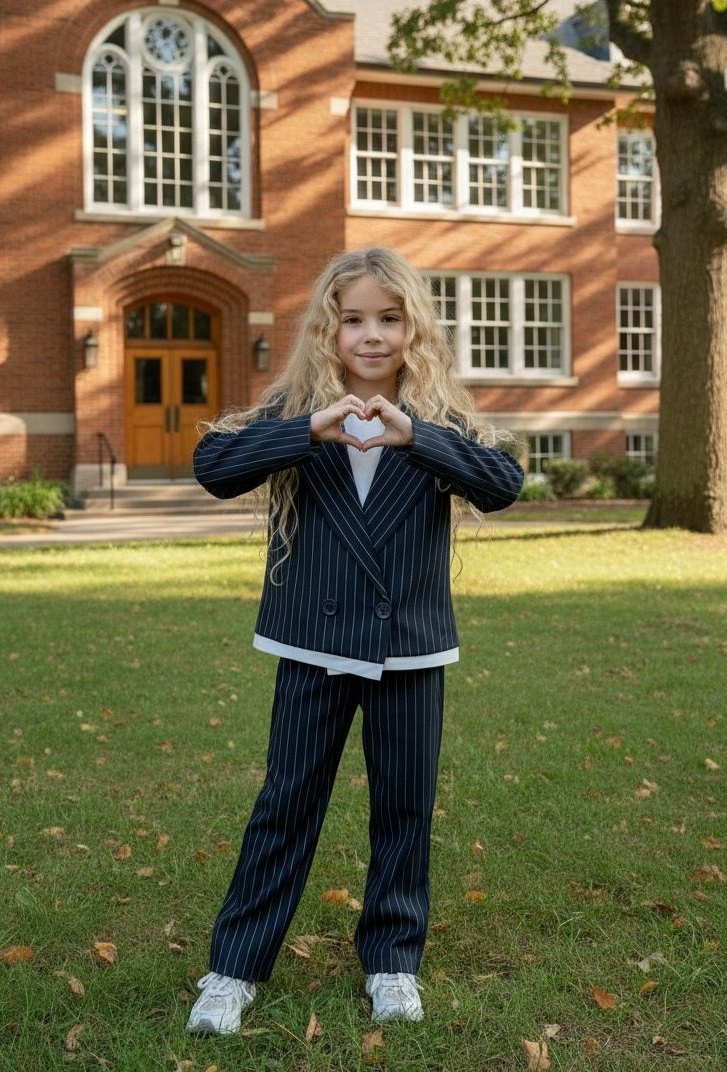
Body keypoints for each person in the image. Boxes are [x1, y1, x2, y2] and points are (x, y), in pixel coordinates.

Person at [187, 247, 523, 1035]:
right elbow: (213, 464)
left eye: (389, 317)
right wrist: (309, 427)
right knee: (286, 804)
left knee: (404, 809)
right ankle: (233, 969)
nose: (371, 335)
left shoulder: (440, 419)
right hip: (312, 642)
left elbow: (503, 483)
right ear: (328, 330)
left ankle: (393, 962)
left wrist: (419, 439)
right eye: (354, 320)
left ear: (413, 328)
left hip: (411, 645)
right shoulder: (295, 406)